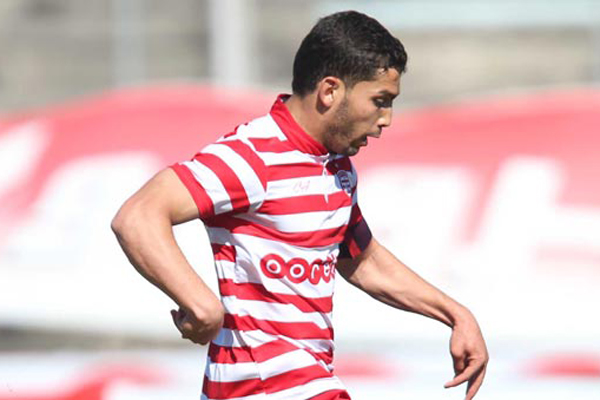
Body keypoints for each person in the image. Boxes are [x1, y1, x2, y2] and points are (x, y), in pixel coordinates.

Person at [111, 10, 488, 400]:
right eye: (380, 101)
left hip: (294, 382)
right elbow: (138, 216)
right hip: (265, 383)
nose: (386, 119)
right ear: (330, 91)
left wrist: (455, 314)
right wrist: (202, 305)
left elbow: (363, 261)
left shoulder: (337, 168)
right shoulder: (253, 155)